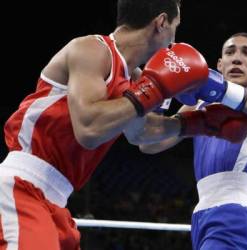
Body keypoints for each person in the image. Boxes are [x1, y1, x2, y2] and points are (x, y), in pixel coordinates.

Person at [0, 0, 213, 249]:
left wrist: (196, 123)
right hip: (22, 186)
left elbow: (140, 133)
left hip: (56, 201)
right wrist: (151, 91)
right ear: (162, 22)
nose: (174, 41)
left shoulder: (133, 79)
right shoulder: (92, 50)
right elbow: (89, 129)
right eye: (176, 26)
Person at [132, 32, 247, 249]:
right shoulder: (200, 104)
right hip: (203, 214)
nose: (237, 58)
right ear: (220, 65)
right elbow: (148, 143)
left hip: (234, 214)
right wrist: (160, 93)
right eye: (230, 52)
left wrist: (217, 87)